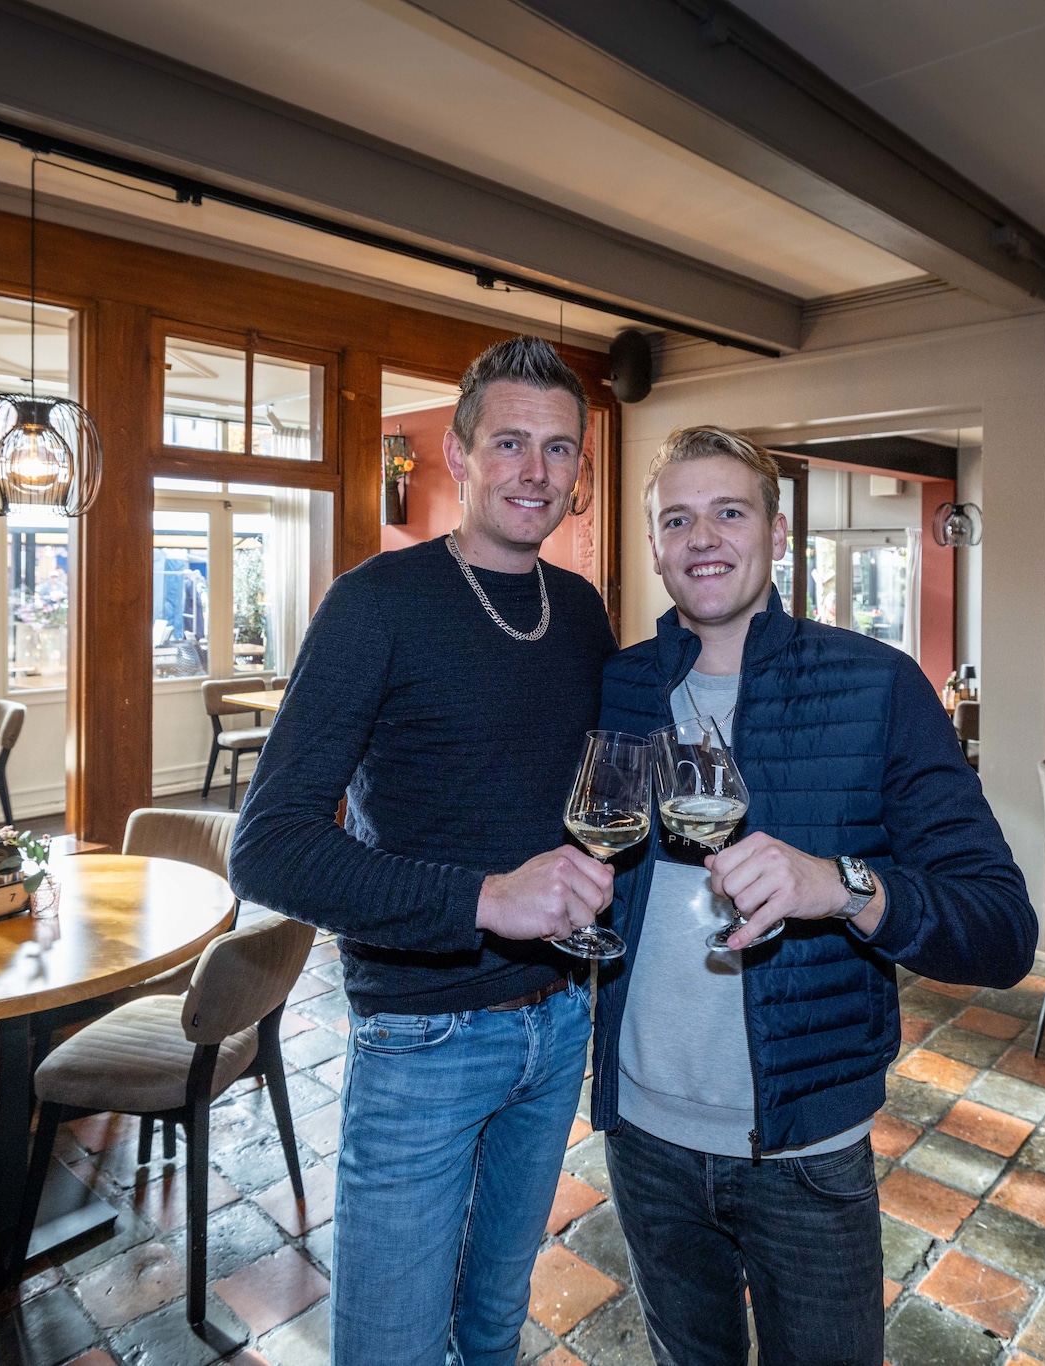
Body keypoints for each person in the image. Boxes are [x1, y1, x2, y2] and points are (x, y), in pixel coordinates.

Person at [592, 426, 1037, 1365]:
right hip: (642, 1137)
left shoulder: (875, 686)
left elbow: (1000, 931)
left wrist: (839, 886)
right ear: (655, 545)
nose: (702, 537)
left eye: (729, 512)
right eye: (678, 518)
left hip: (804, 1152)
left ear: (777, 534)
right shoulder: (620, 686)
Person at [231, 336, 618, 1366]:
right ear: (456, 452)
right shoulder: (376, 604)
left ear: (579, 467)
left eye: (557, 449)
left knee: (493, 1330)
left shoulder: (580, 613)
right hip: (423, 1037)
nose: (534, 471)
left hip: (560, 1020)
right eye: (509, 443)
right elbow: (266, 849)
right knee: (391, 1351)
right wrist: (485, 897)